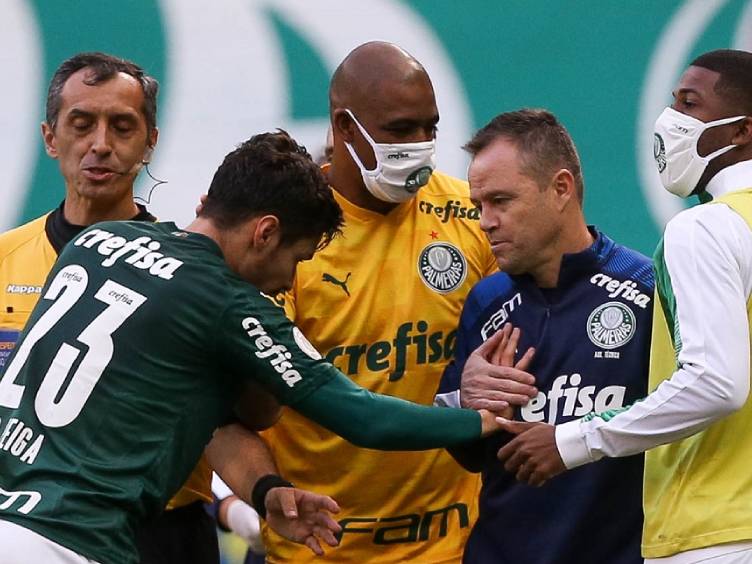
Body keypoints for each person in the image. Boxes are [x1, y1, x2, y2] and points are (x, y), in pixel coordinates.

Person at [0, 129, 508, 564]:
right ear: (265, 233)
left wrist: (265, 493)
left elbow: (215, 422)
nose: (289, 280)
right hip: (70, 542)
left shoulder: (95, 242)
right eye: (298, 257)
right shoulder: (227, 303)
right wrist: (480, 419)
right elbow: (363, 416)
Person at [0, 51, 327, 564]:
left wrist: (262, 492)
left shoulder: (194, 278)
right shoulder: (3, 260)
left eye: (123, 126)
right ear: (48, 136)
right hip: (28, 528)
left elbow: (230, 421)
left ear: (151, 142)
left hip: (163, 532)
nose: (100, 145)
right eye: (81, 124)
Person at [497, 49, 752, 563]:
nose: (670, 121)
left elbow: (716, 383)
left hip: (715, 532)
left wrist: (574, 441)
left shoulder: (704, 228)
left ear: (740, 131)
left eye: (689, 104)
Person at [259, 41, 499, 563]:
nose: (420, 145)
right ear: (345, 128)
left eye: (430, 128)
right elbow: (247, 406)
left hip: (452, 548)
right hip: (316, 551)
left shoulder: (471, 216)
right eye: (399, 129)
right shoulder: (287, 239)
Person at [434, 109, 653, 564]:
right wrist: (467, 402)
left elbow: (688, 415)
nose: (485, 222)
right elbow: (468, 455)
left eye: (501, 201)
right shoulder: (486, 301)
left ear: (560, 189)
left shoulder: (647, 290)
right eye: (479, 206)